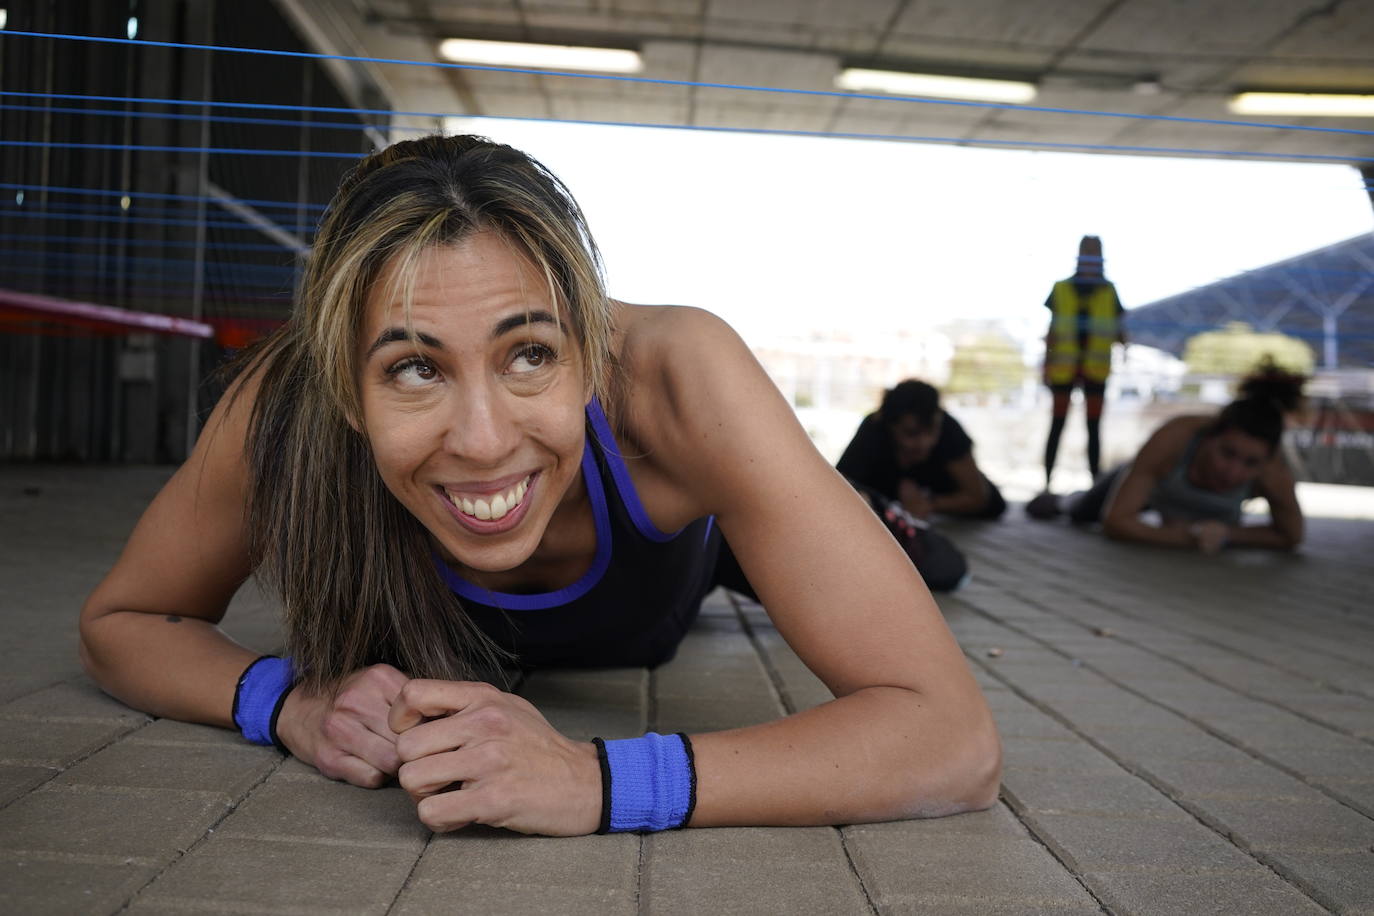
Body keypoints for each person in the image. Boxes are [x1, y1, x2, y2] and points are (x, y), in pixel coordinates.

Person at [78, 135, 1000, 837]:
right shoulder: (285, 406)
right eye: (412, 369)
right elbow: (124, 622)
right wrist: (286, 700)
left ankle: (860, 516)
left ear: (589, 346)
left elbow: (953, 745)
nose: (483, 442)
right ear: (346, 385)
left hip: (699, 557)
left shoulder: (676, 378)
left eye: (528, 354)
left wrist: (595, 781)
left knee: (932, 566)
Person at [1028, 368, 1305, 554]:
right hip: (1154, 490)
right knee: (1081, 511)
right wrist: (1192, 536)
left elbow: (1291, 536)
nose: (1232, 472)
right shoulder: (1176, 437)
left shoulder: (1273, 470)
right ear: (1209, 436)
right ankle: (1061, 500)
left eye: (1250, 463)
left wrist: (1227, 534)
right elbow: (1116, 522)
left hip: (1201, 523)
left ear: (1266, 461)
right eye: (1228, 453)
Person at [837, 380, 1007, 520]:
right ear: (890, 426)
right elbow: (839, 488)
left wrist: (929, 503)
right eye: (912, 433)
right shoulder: (874, 429)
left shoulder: (949, 430)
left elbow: (978, 498)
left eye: (931, 432)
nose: (924, 443)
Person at [1039, 235, 1125, 489]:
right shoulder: (1061, 289)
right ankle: (1047, 485)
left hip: (1096, 372)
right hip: (1063, 371)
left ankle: (1095, 485)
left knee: (1094, 428)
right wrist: (1046, 365)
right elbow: (1052, 331)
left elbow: (1119, 330)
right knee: (1057, 425)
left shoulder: (1109, 291)